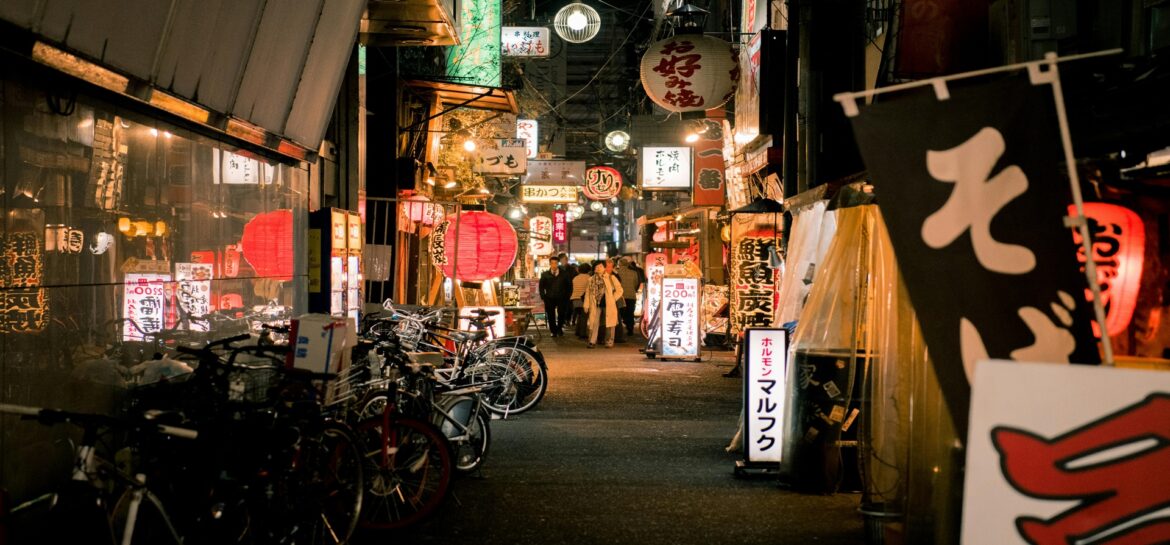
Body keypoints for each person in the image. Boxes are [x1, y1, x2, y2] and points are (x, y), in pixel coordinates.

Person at [584, 260, 623, 348]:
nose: (598, 268)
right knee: (594, 323)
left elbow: (620, 290)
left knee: (610, 323)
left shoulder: (611, 278)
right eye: (596, 267)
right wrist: (586, 305)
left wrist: (613, 298)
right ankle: (592, 341)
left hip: (608, 303)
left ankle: (609, 341)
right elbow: (588, 293)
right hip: (596, 304)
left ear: (604, 268)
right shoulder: (591, 280)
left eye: (600, 266)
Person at [539, 257, 567, 337]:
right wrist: (543, 296)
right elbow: (541, 287)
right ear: (550, 264)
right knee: (551, 315)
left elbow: (569, 286)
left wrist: (567, 296)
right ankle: (553, 331)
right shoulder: (545, 275)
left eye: (555, 263)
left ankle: (559, 329)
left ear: (558, 263)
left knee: (561, 314)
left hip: (561, 298)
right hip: (549, 298)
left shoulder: (564, 274)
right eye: (552, 263)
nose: (554, 265)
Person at [615, 258, 642, 336]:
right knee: (630, 313)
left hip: (620, 296)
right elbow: (636, 283)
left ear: (619, 264)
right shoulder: (634, 273)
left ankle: (619, 330)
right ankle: (630, 329)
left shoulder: (617, 273)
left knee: (620, 313)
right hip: (631, 295)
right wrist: (633, 290)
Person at [570, 263, 592, 339]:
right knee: (584, 317)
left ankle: (577, 331)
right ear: (588, 270)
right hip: (583, 299)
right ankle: (582, 334)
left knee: (580, 316)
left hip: (574, 299)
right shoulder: (589, 278)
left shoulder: (575, 278)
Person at [556, 253, 576, 329]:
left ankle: (567, 320)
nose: (564, 261)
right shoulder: (558, 269)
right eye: (562, 260)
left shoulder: (571, 269)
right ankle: (561, 321)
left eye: (565, 259)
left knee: (569, 307)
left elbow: (574, 279)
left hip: (569, 290)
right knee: (560, 307)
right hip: (560, 291)